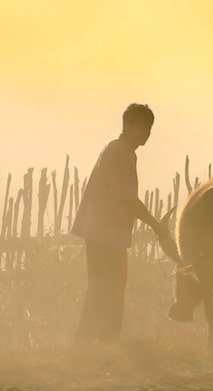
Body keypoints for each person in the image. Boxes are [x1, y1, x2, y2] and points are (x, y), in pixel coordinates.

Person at [71, 103, 174, 343]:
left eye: (149, 128)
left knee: (102, 287)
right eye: (143, 127)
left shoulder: (121, 150)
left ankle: (90, 341)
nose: (147, 133)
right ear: (127, 126)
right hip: (105, 231)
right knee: (109, 288)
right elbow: (126, 198)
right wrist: (155, 224)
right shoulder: (119, 153)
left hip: (104, 230)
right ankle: (103, 340)